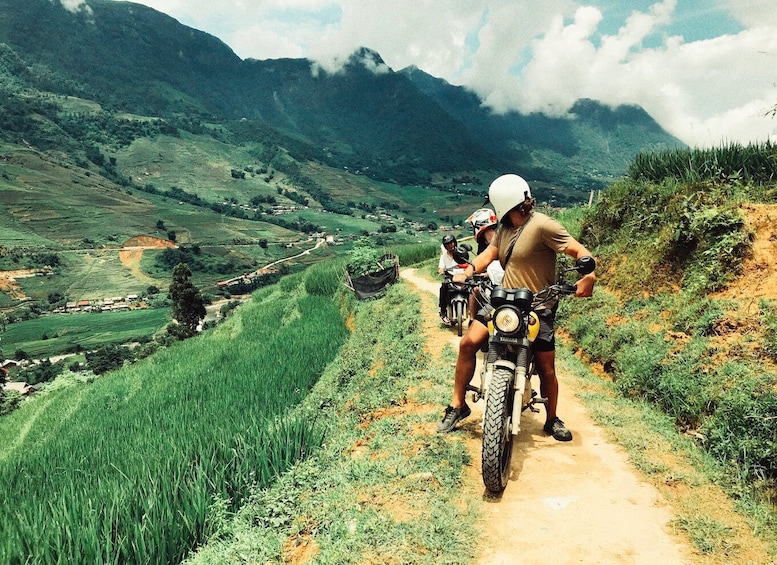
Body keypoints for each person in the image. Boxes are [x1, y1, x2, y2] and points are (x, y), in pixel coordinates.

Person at [436, 174, 596, 441]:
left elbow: (580, 251)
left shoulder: (544, 225)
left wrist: (589, 275)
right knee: (467, 344)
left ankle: (552, 418)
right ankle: (458, 405)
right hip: (504, 302)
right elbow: (489, 255)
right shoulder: (504, 229)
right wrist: (469, 270)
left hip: (538, 305)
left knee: (547, 367)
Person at [465, 208, 502, 320]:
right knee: (474, 290)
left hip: (504, 279)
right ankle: (472, 319)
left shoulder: (503, 238)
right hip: (489, 280)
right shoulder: (482, 244)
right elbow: (480, 263)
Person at [438, 234, 460, 325]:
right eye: (447, 244)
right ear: (445, 246)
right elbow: (441, 268)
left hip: (461, 277)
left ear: (454, 242)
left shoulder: (460, 253)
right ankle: (443, 311)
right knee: (443, 287)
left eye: (451, 243)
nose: (450, 245)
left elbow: (467, 263)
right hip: (450, 277)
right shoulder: (443, 257)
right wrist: (442, 270)